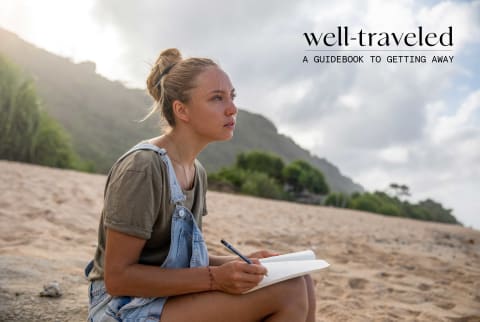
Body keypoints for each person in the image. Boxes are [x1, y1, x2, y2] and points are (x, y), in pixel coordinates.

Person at [85, 48, 316, 322]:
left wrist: (243, 262)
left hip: (163, 298)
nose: (232, 108)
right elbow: (118, 278)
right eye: (217, 98)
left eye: (232, 96)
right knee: (288, 291)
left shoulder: (197, 172)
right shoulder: (143, 168)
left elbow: (180, 262)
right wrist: (215, 279)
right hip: (120, 307)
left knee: (302, 278)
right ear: (181, 110)